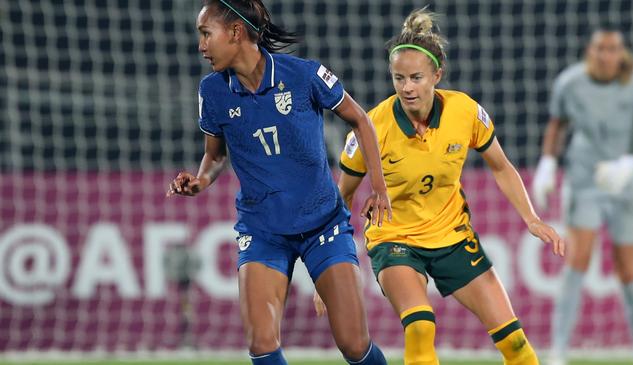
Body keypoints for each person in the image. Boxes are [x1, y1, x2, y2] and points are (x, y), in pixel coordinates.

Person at [314, 7, 564, 365]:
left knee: (517, 346)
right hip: (394, 239)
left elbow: (502, 167)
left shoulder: (465, 112)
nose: (407, 87)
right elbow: (344, 195)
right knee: (420, 327)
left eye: (416, 77)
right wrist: (328, 266)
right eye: (398, 78)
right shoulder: (372, 127)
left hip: (452, 237)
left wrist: (532, 219)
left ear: (437, 75)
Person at [167, 1, 393, 364]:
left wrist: (379, 188)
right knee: (261, 344)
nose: (201, 46)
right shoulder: (212, 91)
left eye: (206, 34)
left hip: (323, 224)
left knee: (354, 344)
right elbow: (216, 154)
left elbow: (362, 121)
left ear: (236, 33)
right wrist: (200, 180)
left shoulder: (303, 75)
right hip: (263, 231)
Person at [533, 25, 633, 365]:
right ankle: (558, 352)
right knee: (576, 261)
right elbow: (557, 125)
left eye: (613, 49)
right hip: (584, 180)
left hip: (625, 184)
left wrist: (632, 163)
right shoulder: (570, 82)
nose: (606, 55)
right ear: (591, 51)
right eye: (600, 48)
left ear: (621, 53)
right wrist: (547, 163)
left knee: (628, 270)